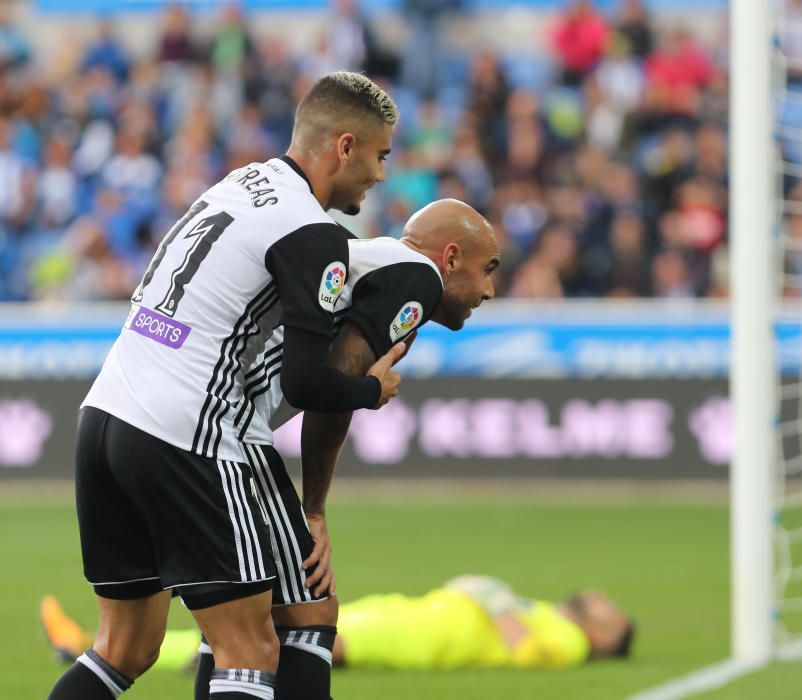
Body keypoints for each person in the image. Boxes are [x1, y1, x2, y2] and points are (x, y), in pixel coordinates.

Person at [46, 71, 406, 700]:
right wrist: (372, 390)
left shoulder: (240, 183)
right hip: (186, 431)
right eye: (378, 156)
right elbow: (306, 379)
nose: (379, 176)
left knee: (123, 649)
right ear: (345, 147)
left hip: (104, 417)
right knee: (250, 648)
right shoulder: (312, 233)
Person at [202, 197, 500, 700]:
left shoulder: (375, 262)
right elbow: (333, 385)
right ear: (450, 258)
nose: (490, 290)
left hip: (190, 417)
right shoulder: (418, 278)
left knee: (191, 630)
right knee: (306, 609)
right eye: (487, 270)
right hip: (224, 427)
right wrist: (313, 510)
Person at [41, 575, 635, 671]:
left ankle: (91, 652)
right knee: (262, 633)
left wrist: (494, 603)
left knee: (259, 640)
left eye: (611, 610)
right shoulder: (553, 613)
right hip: (408, 615)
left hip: (414, 638)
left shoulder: (571, 642)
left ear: (606, 635)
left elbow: (528, 655)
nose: (600, 599)